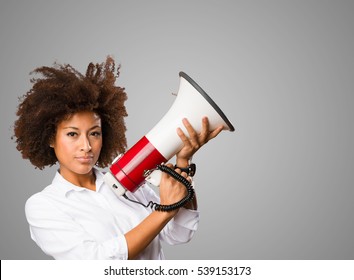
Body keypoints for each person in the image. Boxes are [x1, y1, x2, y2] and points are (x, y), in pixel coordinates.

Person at [13, 56, 223, 260]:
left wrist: (183, 162)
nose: (86, 146)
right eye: (72, 134)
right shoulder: (44, 205)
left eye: (94, 133)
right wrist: (164, 210)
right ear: (50, 138)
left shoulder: (130, 181)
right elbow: (97, 263)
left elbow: (179, 234)